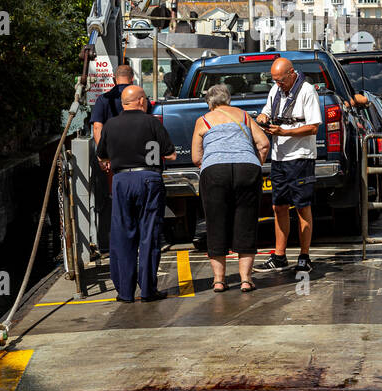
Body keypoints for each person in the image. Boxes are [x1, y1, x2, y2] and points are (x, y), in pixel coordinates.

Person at [96, 84, 176, 304]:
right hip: (148, 179)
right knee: (149, 234)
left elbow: (102, 157)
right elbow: (171, 155)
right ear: (141, 101)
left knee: (123, 235)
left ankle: (125, 292)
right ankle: (148, 290)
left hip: (121, 181)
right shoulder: (152, 122)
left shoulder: (110, 125)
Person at [191, 84, 271, 293]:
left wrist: (211, 163)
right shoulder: (244, 116)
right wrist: (254, 163)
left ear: (209, 102)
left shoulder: (203, 120)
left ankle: (219, 280)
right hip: (247, 169)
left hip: (215, 172)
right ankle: (246, 279)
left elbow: (196, 157)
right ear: (228, 99)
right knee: (246, 223)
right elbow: (263, 144)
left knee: (216, 223)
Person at [254, 56, 322, 274]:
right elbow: (266, 110)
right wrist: (263, 118)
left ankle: (304, 256)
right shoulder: (276, 91)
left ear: (292, 74)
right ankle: (279, 255)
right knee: (278, 206)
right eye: (274, 80)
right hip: (279, 156)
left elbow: (313, 127)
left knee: (303, 206)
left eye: (281, 80)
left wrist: (285, 132)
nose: (278, 84)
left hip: (301, 156)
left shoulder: (307, 91)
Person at [90, 63, 134, 147]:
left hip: (111, 148)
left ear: (114, 80)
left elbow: (97, 127)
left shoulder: (103, 99)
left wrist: (101, 153)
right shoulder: (141, 99)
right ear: (132, 79)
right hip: (136, 149)